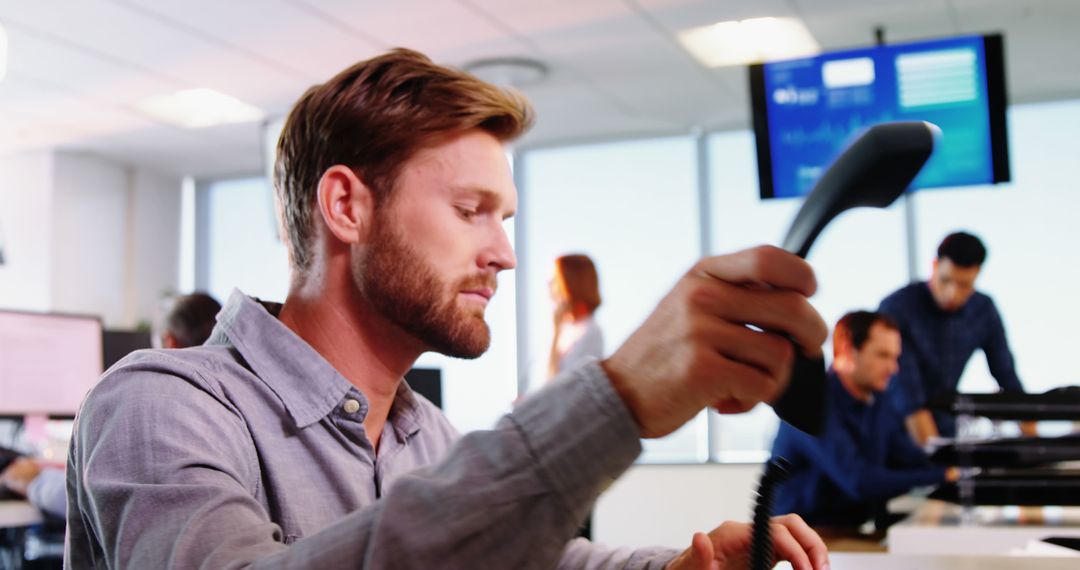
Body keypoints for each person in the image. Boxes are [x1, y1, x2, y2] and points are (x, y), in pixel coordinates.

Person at [66, 48, 830, 569]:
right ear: (345, 206)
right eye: (472, 210)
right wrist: (618, 399)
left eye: (506, 219)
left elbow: (528, 559)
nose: (505, 254)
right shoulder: (159, 403)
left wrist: (676, 565)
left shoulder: (420, 431)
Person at [0, 292, 224, 522]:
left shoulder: (163, 417)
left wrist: (36, 481)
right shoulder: (230, 413)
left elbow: (104, 503)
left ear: (170, 343)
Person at [771, 311, 955, 530]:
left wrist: (961, 461)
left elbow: (906, 456)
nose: (893, 368)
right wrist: (942, 474)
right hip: (808, 536)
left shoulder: (878, 402)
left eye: (895, 358)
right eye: (882, 355)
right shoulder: (811, 401)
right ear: (849, 350)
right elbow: (859, 481)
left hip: (852, 531)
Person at [879, 232, 1034, 445]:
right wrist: (941, 463)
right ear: (934, 265)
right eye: (946, 280)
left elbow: (1008, 379)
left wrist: (1037, 449)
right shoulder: (898, 308)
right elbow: (908, 395)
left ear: (977, 274)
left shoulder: (983, 310)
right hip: (892, 435)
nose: (952, 294)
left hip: (947, 429)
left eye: (964, 285)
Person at [548, 253, 604, 380]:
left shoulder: (590, 333)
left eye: (555, 279)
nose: (549, 284)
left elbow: (556, 384)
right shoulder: (567, 331)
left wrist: (556, 332)